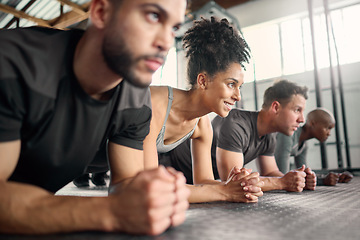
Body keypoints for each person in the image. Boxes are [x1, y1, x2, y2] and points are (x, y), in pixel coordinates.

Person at [0, 0, 190, 236]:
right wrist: (111, 211)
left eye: (174, 28)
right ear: (101, 13)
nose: (166, 42)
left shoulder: (136, 100)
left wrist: (157, 196)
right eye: (153, 16)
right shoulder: (12, 66)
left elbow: (124, 185)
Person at [142, 17, 264, 203]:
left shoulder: (202, 125)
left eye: (239, 87)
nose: (238, 96)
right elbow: (149, 185)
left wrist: (237, 185)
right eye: (231, 84)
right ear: (203, 81)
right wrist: (225, 192)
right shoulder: (155, 102)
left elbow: (203, 182)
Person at [215, 80, 317, 192]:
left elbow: (270, 173)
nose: (302, 119)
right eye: (297, 110)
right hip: (195, 190)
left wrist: (297, 179)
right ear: (276, 108)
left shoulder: (270, 134)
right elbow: (234, 183)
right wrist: (283, 182)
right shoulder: (236, 124)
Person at [275, 108, 353, 186]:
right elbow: (283, 177)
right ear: (312, 124)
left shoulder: (304, 145)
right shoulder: (287, 136)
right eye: (327, 128)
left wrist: (336, 177)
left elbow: (305, 174)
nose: (329, 134)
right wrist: (323, 181)